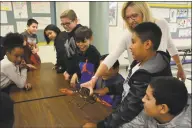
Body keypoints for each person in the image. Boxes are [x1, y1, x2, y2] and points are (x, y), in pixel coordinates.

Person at [82, 2, 186, 95]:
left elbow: (170, 45)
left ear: (144, 12)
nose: (131, 20)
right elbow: (112, 57)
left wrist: (180, 67)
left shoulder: (161, 25)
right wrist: (94, 79)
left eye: (134, 15)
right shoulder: (128, 35)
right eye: (127, 17)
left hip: (160, 80)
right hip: (140, 81)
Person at [83, 22, 172, 128]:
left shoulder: (147, 74)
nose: (130, 47)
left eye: (133, 42)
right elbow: (130, 86)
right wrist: (108, 89)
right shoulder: (139, 62)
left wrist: (100, 126)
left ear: (147, 44)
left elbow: (130, 108)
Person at [120, 76, 191, 128]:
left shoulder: (184, 124)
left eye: (148, 98)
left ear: (163, 108)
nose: (143, 99)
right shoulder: (150, 111)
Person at [60, 54, 125, 109]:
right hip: (97, 109)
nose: (101, 71)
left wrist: (110, 107)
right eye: (100, 67)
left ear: (117, 69)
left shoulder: (122, 84)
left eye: (106, 68)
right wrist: (74, 92)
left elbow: (116, 108)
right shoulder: (98, 76)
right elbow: (88, 89)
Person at [60, 9, 83, 80]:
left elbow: (81, 57)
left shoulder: (80, 33)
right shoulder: (70, 33)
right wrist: (68, 70)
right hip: (71, 72)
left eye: (67, 23)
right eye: (63, 24)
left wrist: (76, 73)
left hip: (79, 73)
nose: (65, 26)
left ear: (75, 20)